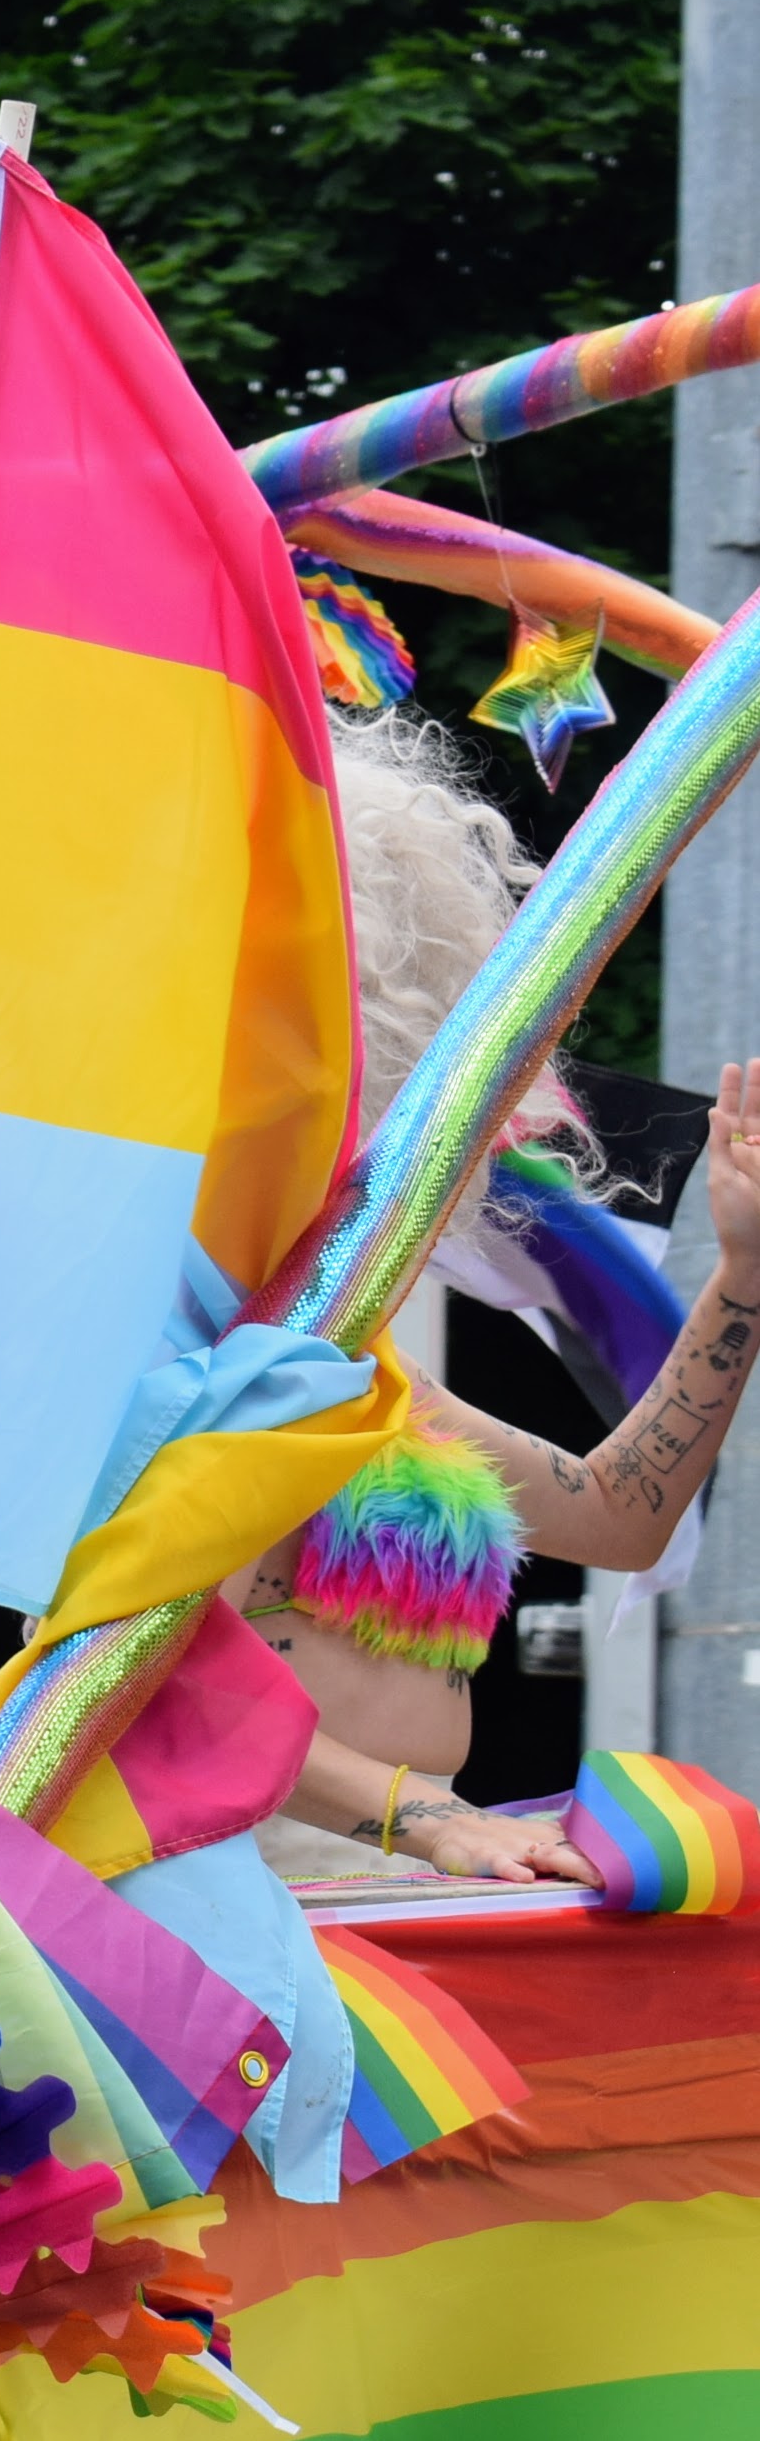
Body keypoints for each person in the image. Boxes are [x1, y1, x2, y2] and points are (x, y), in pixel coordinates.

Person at [241, 717, 760, 1883]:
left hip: (393, 1872)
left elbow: (622, 1513)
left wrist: (742, 1277)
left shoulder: (363, 1372)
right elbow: (150, 1680)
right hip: (252, 1878)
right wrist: (428, 1821)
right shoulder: (177, 1365)